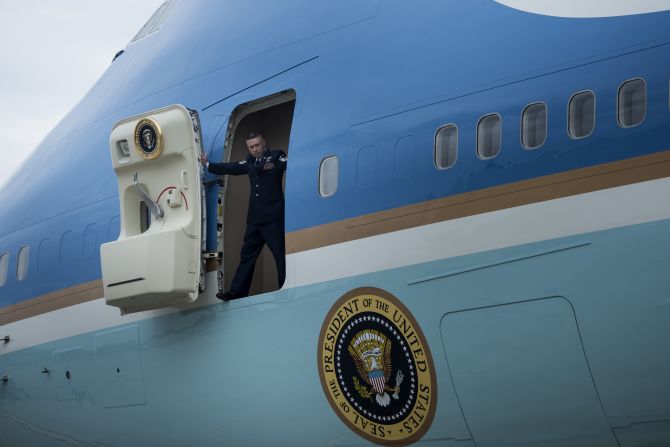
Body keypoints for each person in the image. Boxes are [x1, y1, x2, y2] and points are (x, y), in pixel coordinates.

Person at [200, 132, 287, 301]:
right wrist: (208, 164)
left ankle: (284, 285)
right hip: (254, 220)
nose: (255, 149)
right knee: (247, 257)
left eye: (257, 145)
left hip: (272, 217)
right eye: (251, 146)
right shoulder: (249, 161)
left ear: (264, 143)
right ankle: (237, 292)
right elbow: (231, 168)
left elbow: (292, 164)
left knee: (279, 254)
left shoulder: (276, 156)